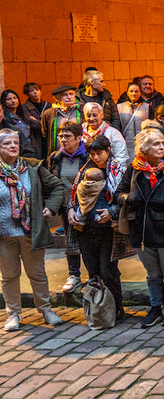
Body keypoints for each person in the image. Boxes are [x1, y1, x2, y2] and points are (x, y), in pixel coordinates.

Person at [116, 129, 164, 328]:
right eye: (156, 144)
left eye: (162, 143)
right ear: (144, 149)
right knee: (153, 274)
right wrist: (127, 198)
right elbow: (119, 193)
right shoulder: (133, 169)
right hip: (141, 228)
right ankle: (156, 307)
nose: (162, 147)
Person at [0, 129, 65, 332]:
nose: (13, 146)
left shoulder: (32, 168)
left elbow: (57, 186)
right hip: (4, 235)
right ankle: (13, 313)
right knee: (9, 275)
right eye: (7, 144)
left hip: (30, 231)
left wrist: (51, 207)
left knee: (37, 273)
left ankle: (45, 310)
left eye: (15, 142)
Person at [68, 136, 133, 323]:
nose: (96, 157)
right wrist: (71, 210)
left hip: (109, 230)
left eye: (100, 153)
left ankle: (116, 307)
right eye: (92, 153)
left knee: (108, 270)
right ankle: (98, 309)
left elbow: (126, 196)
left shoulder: (118, 171)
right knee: (93, 270)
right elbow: (73, 196)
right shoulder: (83, 171)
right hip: (86, 228)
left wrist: (112, 211)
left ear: (108, 150)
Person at [45, 122, 88, 293]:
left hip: (85, 206)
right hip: (64, 205)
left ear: (79, 138)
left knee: (88, 241)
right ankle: (74, 274)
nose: (63, 140)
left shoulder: (88, 155)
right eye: (61, 136)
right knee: (70, 242)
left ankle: (94, 275)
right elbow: (51, 183)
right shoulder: (55, 157)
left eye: (68, 136)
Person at [82, 102, 130, 167]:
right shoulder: (80, 133)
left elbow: (121, 158)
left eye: (95, 115)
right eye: (88, 116)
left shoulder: (113, 133)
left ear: (102, 115)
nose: (91, 118)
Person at [41, 85, 82, 156]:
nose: (69, 97)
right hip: (57, 155)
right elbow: (45, 135)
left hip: (80, 153)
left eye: (71, 94)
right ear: (57, 98)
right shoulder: (49, 114)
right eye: (65, 95)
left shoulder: (82, 110)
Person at [19, 83, 50, 159]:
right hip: (35, 140)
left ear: (41, 91)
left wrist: (37, 121)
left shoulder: (49, 105)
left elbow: (53, 122)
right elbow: (31, 122)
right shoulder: (24, 107)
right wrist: (46, 124)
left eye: (37, 89)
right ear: (27, 94)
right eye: (31, 91)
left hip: (48, 139)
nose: (35, 92)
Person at [0, 95, 33, 159]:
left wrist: (16, 163)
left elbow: (28, 152)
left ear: (3, 112)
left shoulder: (13, 130)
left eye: (0, 111)